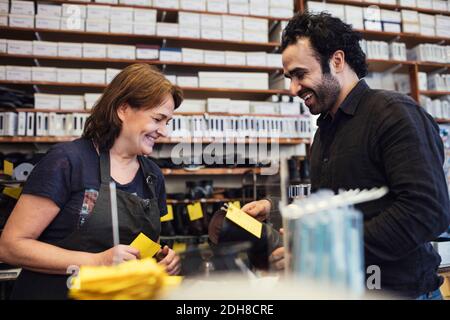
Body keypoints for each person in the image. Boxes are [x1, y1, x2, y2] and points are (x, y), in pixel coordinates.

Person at [242, 12, 450, 299]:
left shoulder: (393, 113)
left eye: (300, 74)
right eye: (289, 77)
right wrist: (276, 208)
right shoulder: (325, 130)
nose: (293, 88)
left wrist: (321, 249)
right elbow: (332, 204)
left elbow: (426, 211)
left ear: (337, 61)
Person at [0, 63, 183, 299]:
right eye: (158, 119)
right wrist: (97, 261)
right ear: (123, 109)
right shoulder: (67, 161)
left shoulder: (152, 175)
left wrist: (162, 260)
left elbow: (145, 248)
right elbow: (10, 246)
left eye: (167, 122)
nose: (164, 131)